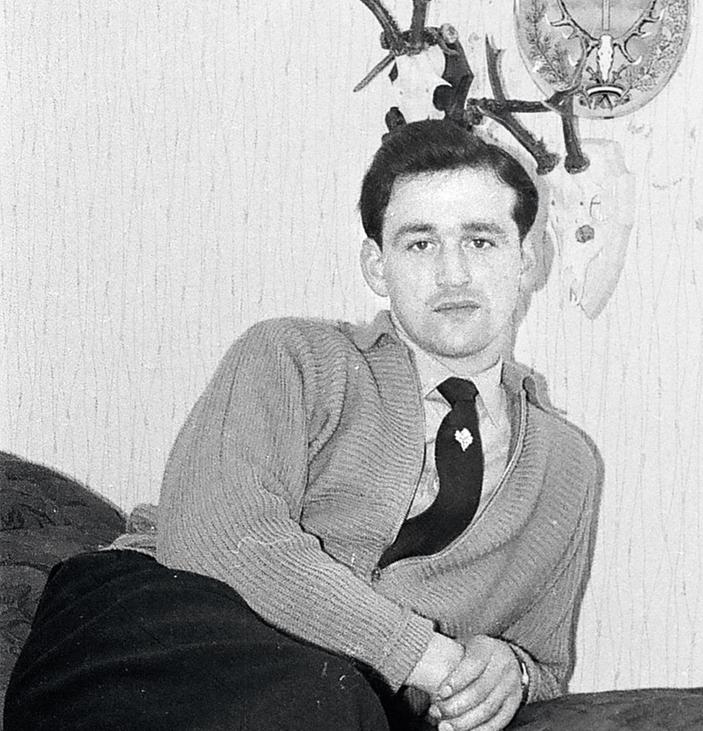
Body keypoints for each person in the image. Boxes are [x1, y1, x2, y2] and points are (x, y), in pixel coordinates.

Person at [4, 119, 603, 731]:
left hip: (343, 697)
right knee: (323, 698)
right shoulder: (293, 357)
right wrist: (431, 660)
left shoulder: (567, 465)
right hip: (153, 629)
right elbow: (218, 539)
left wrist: (510, 670)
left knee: (336, 700)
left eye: (480, 241)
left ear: (528, 260)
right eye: (421, 244)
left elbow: (545, 662)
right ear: (377, 266)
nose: (453, 274)